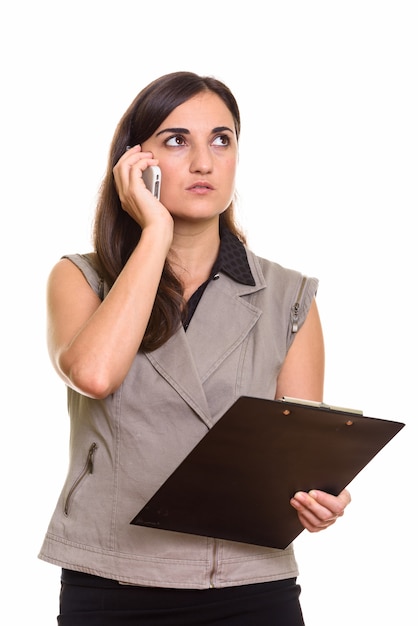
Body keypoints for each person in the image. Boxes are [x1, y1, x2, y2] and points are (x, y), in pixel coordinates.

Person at [38, 71, 351, 625]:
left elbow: (297, 447)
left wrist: (319, 500)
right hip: (110, 579)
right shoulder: (81, 278)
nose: (204, 162)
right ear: (136, 161)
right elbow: (94, 374)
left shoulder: (289, 295)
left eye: (222, 139)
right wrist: (154, 232)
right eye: (177, 140)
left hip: (249, 583)